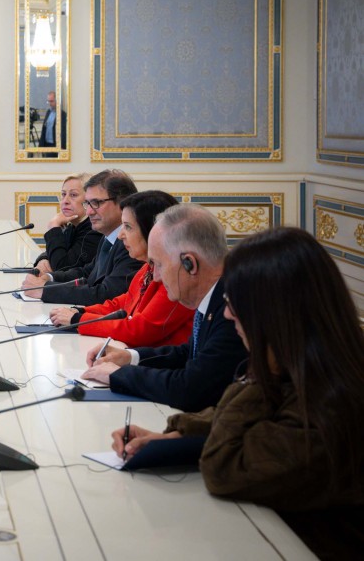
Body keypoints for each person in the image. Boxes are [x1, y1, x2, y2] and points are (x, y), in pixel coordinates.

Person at [110, 228, 364, 559]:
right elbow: (244, 425)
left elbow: (225, 466)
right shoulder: (308, 366)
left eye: (234, 303)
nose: (228, 314)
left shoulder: (330, 399)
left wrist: (258, 370)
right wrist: (174, 438)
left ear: (273, 314)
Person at [81, 204, 247, 411]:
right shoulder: (216, 294)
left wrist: (120, 375)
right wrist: (131, 357)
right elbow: (189, 353)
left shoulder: (234, 309)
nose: (156, 277)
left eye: (159, 264)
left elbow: (191, 388)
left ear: (189, 263)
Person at [49, 190, 194, 347]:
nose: (120, 235)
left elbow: (139, 330)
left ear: (153, 231)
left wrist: (77, 320)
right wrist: (80, 312)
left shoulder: (175, 276)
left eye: (128, 227)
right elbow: (122, 304)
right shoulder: (148, 267)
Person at [21, 169, 142, 305]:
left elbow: (106, 294)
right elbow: (87, 272)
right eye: (88, 204)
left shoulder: (132, 244)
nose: (89, 211)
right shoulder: (108, 237)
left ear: (122, 203)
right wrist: (49, 278)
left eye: (96, 203)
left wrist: (45, 290)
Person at [33, 173, 101, 274]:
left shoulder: (94, 231)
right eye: (64, 194)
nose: (65, 201)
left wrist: (54, 227)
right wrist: (43, 259)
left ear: (89, 199)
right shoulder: (72, 226)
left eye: (73, 195)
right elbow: (56, 251)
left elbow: (61, 267)